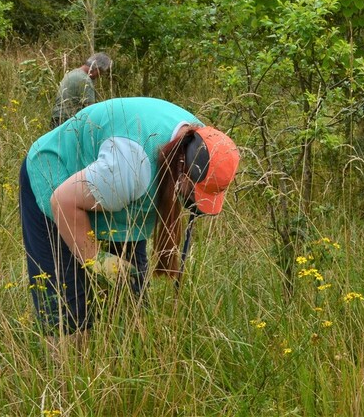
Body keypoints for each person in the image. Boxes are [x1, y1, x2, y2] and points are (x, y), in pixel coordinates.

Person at [19, 96, 240, 347]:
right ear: (182, 167)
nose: (193, 202)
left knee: (130, 297)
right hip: (56, 177)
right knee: (68, 305)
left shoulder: (200, 141)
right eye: (195, 192)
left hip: (106, 187)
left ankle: (120, 361)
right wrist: (96, 260)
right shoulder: (128, 169)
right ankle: (67, 379)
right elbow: (62, 201)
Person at [51, 52, 113, 127]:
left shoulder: (73, 73)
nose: (100, 76)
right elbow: (91, 110)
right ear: (97, 69)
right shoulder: (85, 80)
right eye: (101, 72)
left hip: (57, 119)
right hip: (68, 122)